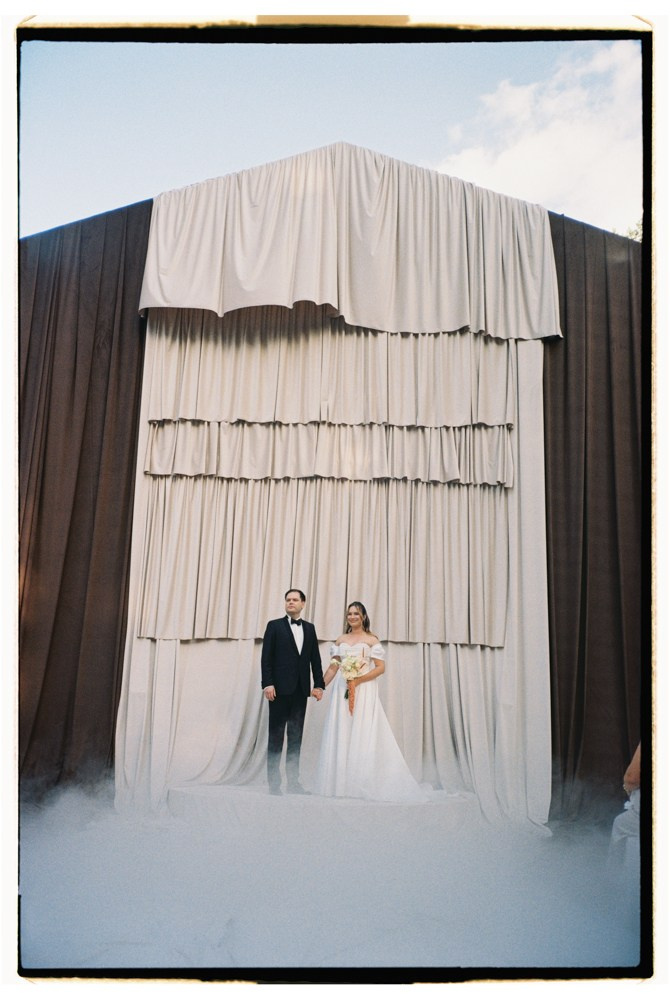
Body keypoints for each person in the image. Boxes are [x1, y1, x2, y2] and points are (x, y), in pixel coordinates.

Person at [312, 601, 427, 802]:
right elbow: (333, 667)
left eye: (356, 613)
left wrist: (358, 680)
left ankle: (360, 783)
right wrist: (321, 686)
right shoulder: (341, 640)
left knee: (361, 728)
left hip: (364, 689)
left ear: (363, 616)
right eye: (349, 613)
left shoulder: (372, 640)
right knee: (342, 727)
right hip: (342, 690)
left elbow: (380, 667)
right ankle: (339, 783)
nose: (352, 616)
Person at [261, 588, 325, 795]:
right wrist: (267, 684)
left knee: (296, 738)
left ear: (303, 603)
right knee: (276, 737)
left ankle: (294, 783)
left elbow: (315, 658)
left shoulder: (310, 628)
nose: (290, 602)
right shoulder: (274, 626)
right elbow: (266, 658)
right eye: (288, 600)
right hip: (278, 691)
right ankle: (274, 785)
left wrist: (319, 684)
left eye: (295, 600)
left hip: (300, 691)